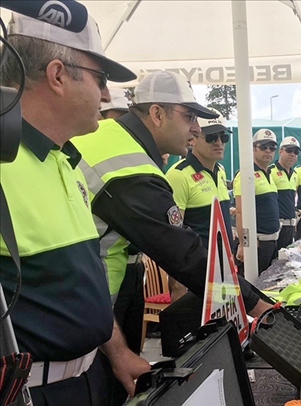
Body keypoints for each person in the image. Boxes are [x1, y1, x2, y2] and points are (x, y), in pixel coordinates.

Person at [0, 12, 150, 406]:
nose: (107, 95)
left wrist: (119, 353)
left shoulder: (65, 161)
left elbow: (81, 286)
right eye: (100, 77)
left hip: (91, 386)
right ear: (58, 75)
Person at [72, 70, 269, 317]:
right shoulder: (129, 168)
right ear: (157, 114)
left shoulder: (111, 136)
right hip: (87, 307)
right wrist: (257, 306)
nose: (197, 129)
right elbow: (182, 253)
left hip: (87, 296)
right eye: (189, 117)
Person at [99, 89, 144, 354]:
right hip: (105, 280)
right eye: (116, 120)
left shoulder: (130, 161)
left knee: (133, 348)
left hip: (135, 270)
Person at [165, 109, 233, 249]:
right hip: (198, 266)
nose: (219, 142)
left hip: (225, 263)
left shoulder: (220, 170)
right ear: (193, 139)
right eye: (212, 137)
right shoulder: (178, 175)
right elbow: (174, 234)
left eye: (223, 137)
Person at [234, 129, 280, 274]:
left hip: (271, 242)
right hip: (257, 244)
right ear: (253, 149)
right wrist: (243, 244)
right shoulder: (246, 175)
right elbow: (240, 212)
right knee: (251, 288)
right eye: (263, 146)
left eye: (272, 147)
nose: (268, 151)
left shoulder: (269, 174)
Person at [271, 136, 300, 252]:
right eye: (289, 150)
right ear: (280, 151)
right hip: (277, 226)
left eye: (296, 151)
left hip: (290, 226)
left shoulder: (295, 173)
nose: (292, 154)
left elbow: (292, 198)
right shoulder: (270, 171)